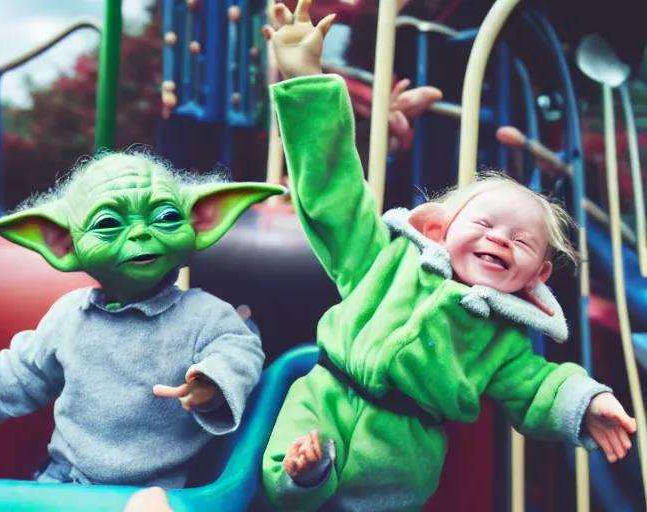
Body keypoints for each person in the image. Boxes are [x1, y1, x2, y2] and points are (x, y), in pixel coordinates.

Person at [259, 1, 637, 510]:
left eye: (521, 242)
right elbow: (333, 192)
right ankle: (306, 475)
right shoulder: (385, 263)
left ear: (537, 275)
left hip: (402, 448)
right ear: (438, 228)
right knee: (289, 477)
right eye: (485, 225)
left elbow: (537, 386)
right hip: (326, 398)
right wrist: (305, 80)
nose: (501, 240)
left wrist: (585, 401)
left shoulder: (500, 338)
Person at [0, 150, 284, 501]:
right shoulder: (69, 318)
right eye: (108, 224)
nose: (139, 233)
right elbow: (22, 372)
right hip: (69, 482)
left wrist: (213, 382)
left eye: (165, 216)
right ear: (63, 243)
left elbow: (240, 347)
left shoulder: (205, 315)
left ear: (200, 221)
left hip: (161, 492)